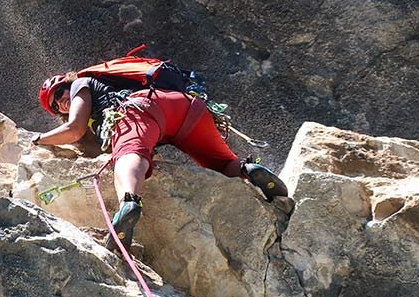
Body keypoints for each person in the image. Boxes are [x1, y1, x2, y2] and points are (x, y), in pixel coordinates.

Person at [31, 71, 287, 249]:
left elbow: (74, 129)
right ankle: (249, 169)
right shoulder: (108, 91)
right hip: (184, 106)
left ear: (69, 84)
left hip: (139, 109)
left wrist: (38, 139)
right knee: (221, 164)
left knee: (129, 155)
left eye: (60, 92)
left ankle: (128, 202)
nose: (62, 102)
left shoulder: (81, 84)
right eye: (56, 106)